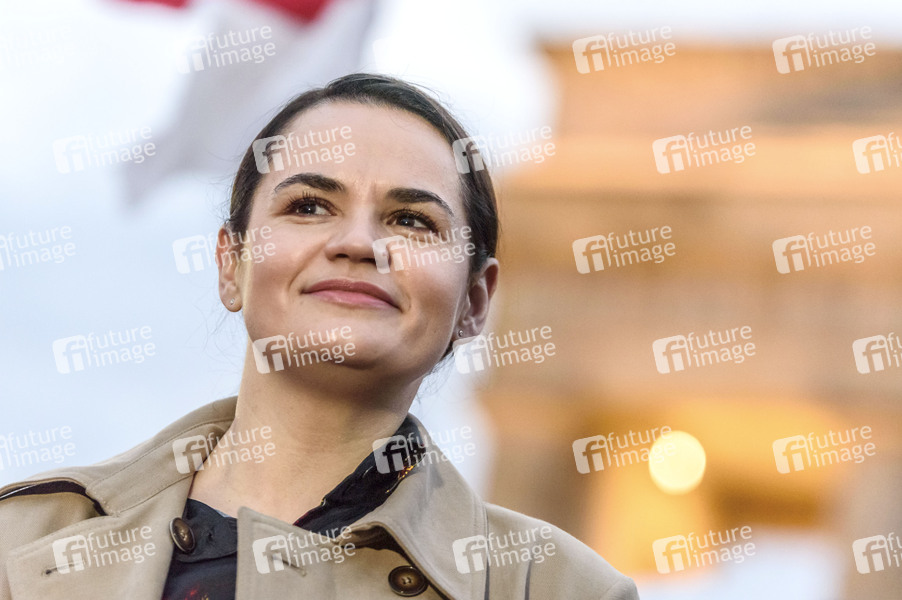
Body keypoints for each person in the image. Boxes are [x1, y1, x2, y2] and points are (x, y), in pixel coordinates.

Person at [0, 74, 639, 599]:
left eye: (412, 220)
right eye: (308, 206)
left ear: (474, 302)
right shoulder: (17, 540)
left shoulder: (560, 589)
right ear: (231, 265)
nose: (358, 243)